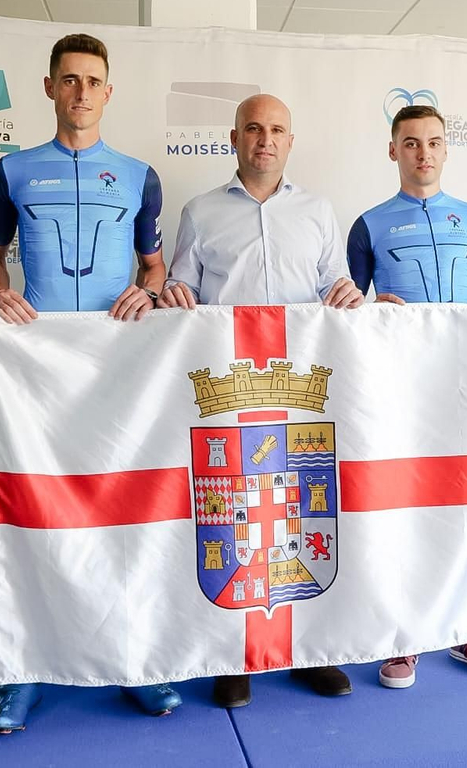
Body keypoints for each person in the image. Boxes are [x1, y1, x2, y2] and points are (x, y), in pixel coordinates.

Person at [0, 33, 177, 729]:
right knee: (34, 518)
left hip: (118, 367)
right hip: (38, 367)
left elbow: (153, 268)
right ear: (49, 88)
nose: (81, 92)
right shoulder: (12, 170)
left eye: (93, 81)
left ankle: (134, 662)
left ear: (108, 92)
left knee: (125, 513)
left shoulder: (139, 175)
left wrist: (149, 294)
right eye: (69, 80)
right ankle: (25, 673)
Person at [160, 93, 364, 708]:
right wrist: (173, 294)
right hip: (229, 394)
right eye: (254, 129)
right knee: (233, 517)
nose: (265, 139)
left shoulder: (318, 210)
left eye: (276, 129)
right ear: (235, 137)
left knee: (303, 517)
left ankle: (308, 652)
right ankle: (235, 657)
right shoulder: (199, 212)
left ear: (290, 140)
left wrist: (349, 294)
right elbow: (181, 287)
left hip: (302, 394)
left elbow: (335, 283)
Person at [344, 103, 467, 689]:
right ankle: (406, 635)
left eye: (434, 142)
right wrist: (371, 309)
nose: (423, 152)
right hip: (398, 388)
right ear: (393, 151)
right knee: (405, 509)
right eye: (411, 143)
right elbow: (345, 307)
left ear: (446, 150)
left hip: (464, 385)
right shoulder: (368, 224)